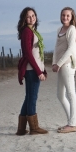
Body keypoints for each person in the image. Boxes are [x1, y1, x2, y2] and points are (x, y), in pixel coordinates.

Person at [16, 7, 48, 135]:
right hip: (31, 70)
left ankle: (21, 129)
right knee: (32, 98)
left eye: (33, 15)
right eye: (28, 16)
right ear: (24, 19)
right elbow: (28, 54)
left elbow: (38, 54)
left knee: (28, 97)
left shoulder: (33, 31)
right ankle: (34, 128)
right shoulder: (27, 32)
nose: (32, 18)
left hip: (34, 69)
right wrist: (38, 71)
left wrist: (43, 69)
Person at [52, 7, 76, 133]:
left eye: (68, 15)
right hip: (59, 65)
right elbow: (56, 47)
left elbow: (70, 49)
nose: (65, 17)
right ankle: (70, 121)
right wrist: (54, 63)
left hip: (67, 65)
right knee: (60, 95)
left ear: (72, 17)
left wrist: (59, 63)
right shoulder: (59, 29)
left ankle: (72, 124)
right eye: (63, 15)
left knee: (71, 94)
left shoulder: (72, 29)